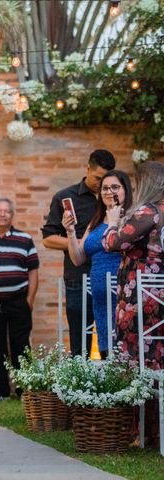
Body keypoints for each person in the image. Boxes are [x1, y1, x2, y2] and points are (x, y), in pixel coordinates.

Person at [102, 161, 164, 445]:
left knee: (134, 358)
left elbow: (113, 244)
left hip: (138, 297)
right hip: (159, 295)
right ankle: (155, 430)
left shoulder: (148, 211)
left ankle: (137, 431)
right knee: (156, 361)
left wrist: (113, 221)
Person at [42, 150, 115, 357]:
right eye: (97, 178)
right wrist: (81, 246)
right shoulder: (65, 197)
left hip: (109, 278)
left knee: (111, 341)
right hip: (78, 277)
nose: (101, 185)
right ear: (87, 169)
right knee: (79, 344)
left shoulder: (113, 199)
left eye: (106, 180)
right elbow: (48, 238)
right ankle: (79, 388)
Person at [62, 170, 133, 359]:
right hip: (100, 298)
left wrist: (115, 222)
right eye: (105, 188)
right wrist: (70, 232)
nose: (109, 192)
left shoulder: (133, 218)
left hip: (122, 295)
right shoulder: (95, 220)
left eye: (115, 187)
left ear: (126, 190)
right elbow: (78, 259)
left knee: (123, 353)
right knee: (106, 352)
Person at [0, 198, 39, 402]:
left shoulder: (24, 239)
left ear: (12, 215)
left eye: (7, 211)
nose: (3, 214)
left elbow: (33, 271)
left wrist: (29, 300)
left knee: (21, 346)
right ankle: (0, 391)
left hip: (19, 301)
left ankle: (25, 389)